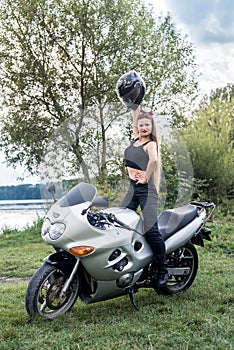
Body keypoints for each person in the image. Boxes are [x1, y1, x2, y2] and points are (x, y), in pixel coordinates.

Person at [117, 71, 168, 287]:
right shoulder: (137, 138)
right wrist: (133, 100)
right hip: (133, 188)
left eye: (146, 125)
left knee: (151, 230)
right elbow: (136, 114)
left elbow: (154, 161)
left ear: (151, 128)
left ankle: (162, 269)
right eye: (140, 125)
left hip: (145, 189)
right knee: (119, 221)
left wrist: (145, 177)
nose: (142, 127)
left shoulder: (151, 143)